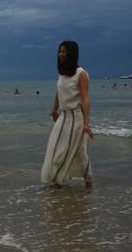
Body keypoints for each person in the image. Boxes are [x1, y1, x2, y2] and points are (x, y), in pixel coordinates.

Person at [41, 40, 93, 188]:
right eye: (60, 51)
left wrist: (87, 124)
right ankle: (57, 181)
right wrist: (54, 109)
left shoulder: (81, 74)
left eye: (63, 51)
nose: (60, 54)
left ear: (71, 53)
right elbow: (59, 92)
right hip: (63, 117)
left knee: (79, 152)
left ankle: (86, 181)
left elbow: (84, 98)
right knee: (55, 148)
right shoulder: (62, 74)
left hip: (76, 118)